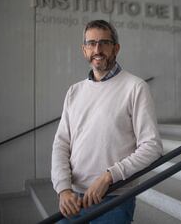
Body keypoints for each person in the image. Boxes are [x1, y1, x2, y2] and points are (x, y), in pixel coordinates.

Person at [51, 19, 163, 223]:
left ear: (116, 48)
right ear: (84, 50)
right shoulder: (74, 91)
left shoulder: (135, 87)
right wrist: (63, 189)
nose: (97, 49)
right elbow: (61, 144)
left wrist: (108, 176)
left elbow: (152, 146)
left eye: (104, 42)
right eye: (91, 43)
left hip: (114, 199)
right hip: (73, 200)